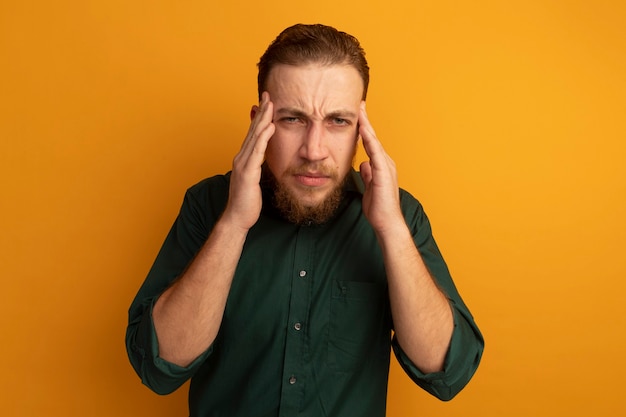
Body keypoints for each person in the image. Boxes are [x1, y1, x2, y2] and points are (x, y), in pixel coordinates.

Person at [126, 23, 484, 417]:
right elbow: (160, 366)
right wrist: (233, 224)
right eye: (293, 119)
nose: (314, 150)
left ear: (361, 130)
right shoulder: (208, 205)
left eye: (337, 121)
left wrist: (391, 231)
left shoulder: (399, 215)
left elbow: (447, 372)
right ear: (259, 122)